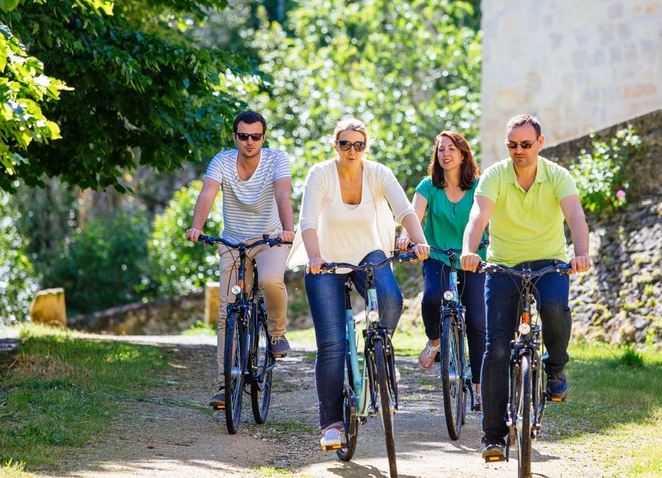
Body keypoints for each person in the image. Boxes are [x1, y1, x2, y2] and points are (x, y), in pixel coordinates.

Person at [290, 118, 430, 450]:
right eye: (344, 144)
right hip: (325, 260)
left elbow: (405, 211)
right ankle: (332, 424)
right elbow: (308, 222)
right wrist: (313, 257)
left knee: (391, 298)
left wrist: (419, 242)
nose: (352, 151)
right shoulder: (321, 174)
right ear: (334, 145)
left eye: (358, 145)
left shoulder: (379, 173)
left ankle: (381, 356)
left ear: (366, 147)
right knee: (332, 345)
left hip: (367, 254)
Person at [459, 114, 591, 461]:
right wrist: (470, 250)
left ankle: (556, 365)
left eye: (526, 145)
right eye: (512, 145)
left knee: (553, 309)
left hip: (549, 262)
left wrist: (581, 254)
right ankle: (493, 436)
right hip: (503, 265)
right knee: (497, 348)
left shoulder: (557, 176)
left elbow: (575, 216)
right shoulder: (495, 176)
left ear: (540, 143)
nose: (519, 151)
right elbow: (478, 216)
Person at [186, 110, 295, 409]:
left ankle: (276, 334)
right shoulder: (221, 161)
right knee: (227, 311)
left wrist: (288, 230)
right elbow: (207, 195)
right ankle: (225, 384)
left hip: (271, 239)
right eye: (244, 136)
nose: (249, 142)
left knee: (272, 280)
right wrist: (197, 226)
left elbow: (283, 195)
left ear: (263, 137)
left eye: (256, 137)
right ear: (235, 137)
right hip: (233, 242)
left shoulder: (276, 160)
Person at [396, 131, 488, 407]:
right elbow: (413, 216)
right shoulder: (428, 186)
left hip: (472, 258)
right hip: (437, 255)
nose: (445, 154)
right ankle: (435, 341)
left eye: (451, 149)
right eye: (440, 150)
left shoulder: (479, 186)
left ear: (463, 154)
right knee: (432, 297)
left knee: (478, 322)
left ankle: (481, 386)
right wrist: (406, 237)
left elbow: (488, 215)